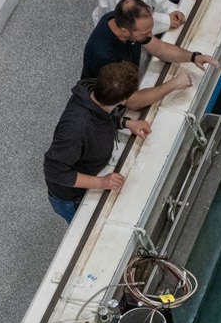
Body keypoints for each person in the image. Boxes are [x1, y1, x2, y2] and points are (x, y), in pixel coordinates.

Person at [43, 61, 147, 224]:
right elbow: (54, 171)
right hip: (72, 197)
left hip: (91, 168)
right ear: (123, 101)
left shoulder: (93, 94)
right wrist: (101, 182)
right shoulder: (76, 130)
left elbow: (102, 116)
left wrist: (125, 123)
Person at [82, 0, 215, 83]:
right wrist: (173, 85)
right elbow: (130, 100)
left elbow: (160, 48)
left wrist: (194, 57)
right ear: (125, 32)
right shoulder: (103, 55)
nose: (150, 35)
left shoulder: (119, 20)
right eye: (145, 33)